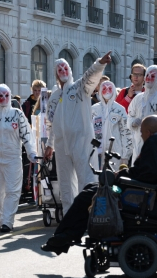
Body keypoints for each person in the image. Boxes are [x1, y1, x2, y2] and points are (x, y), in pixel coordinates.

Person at [41, 115, 157, 255]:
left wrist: (123, 174)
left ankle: (63, 237)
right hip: (143, 190)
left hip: (139, 193)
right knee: (91, 188)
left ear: (148, 132)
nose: (141, 135)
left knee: (88, 196)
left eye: (142, 132)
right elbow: (148, 171)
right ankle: (65, 236)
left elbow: (148, 174)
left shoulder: (154, 143)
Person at [44, 52, 112, 214]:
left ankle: (90, 215)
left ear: (70, 70)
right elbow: (53, 123)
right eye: (59, 69)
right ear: (55, 74)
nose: (62, 70)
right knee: (65, 184)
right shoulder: (54, 97)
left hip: (82, 142)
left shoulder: (80, 88)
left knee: (87, 180)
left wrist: (99, 64)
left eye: (65, 67)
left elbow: (90, 76)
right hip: (61, 146)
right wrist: (50, 144)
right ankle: (70, 217)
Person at [0, 84, 37, 232]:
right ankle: (1, 216)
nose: (3, 98)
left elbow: (26, 134)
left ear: (10, 95)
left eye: (6, 95)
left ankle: (7, 222)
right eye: (0, 96)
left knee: (13, 190)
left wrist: (31, 152)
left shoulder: (17, 114)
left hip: (13, 157)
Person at [91, 80, 133, 169]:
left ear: (113, 90)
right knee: (97, 177)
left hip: (115, 151)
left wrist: (125, 155)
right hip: (97, 151)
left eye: (109, 89)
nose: (106, 91)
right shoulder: (94, 109)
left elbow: (126, 132)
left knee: (113, 178)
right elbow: (88, 131)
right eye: (104, 88)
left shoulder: (119, 109)